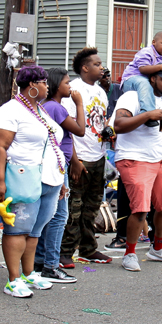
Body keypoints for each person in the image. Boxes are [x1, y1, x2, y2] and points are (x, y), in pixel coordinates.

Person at [0, 65, 65, 297]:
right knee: (18, 229)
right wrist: (0, 181)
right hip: (21, 176)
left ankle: (28, 273)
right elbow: (0, 147)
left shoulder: (39, 110)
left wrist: (61, 178)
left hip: (48, 177)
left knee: (35, 231)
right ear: (32, 85)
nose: (47, 86)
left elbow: (53, 145)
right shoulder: (10, 110)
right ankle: (13, 279)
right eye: (44, 82)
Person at [112, 70, 162, 272]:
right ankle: (129, 253)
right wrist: (148, 115)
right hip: (135, 157)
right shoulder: (132, 96)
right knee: (140, 209)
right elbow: (119, 125)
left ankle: (158, 249)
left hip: (161, 157)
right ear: (153, 79)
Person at [60, 48, 111, 267]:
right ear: (85, 68)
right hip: (80, 158)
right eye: (97, 64)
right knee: (74, 207)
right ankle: (65, 251)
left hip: (99, 155)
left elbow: (101, 120)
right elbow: (66, 129)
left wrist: (108, 131)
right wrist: (74, 160)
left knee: (92, 206)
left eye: (101, 64)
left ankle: (88, 249)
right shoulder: (73, 90)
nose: (102, 67)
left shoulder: (101, 91)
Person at [34, 67, 85, 283]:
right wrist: (79, 104)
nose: (70, 87)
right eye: (66, 82)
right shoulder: (55, 107)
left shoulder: (48, 106)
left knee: (47, 215)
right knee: (59, 215)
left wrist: (75, 161)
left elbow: (65, 138)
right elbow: (80, 130)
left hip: (56, 163)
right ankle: (51, 265)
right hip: (55, 165)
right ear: (56, 85)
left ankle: (39, 261)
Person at [119, 32, 162, 123]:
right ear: (154, 42)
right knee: (144, 83)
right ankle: (147, 112)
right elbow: (143, 69)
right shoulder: (146, 52)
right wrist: (161, 67)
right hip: (131, 79)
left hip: (148, 82)